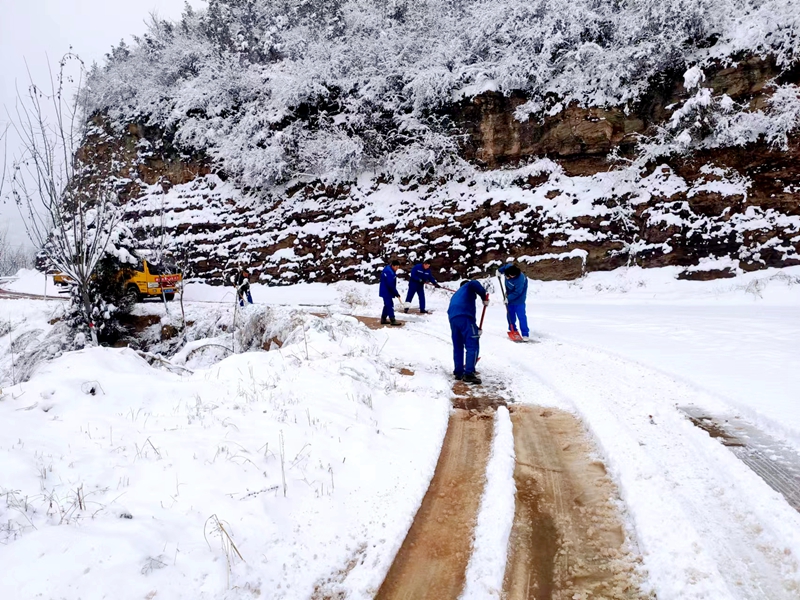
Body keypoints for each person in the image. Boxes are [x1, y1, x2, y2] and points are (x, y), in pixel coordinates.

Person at [447, 279, 489, 384]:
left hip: (453, 319)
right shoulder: (468, 287)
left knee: (458, 346)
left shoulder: (457, 295)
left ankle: (458, 372)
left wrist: (475, 328)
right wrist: (484, 296)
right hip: (465, 317)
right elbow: (473, 282)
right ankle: (469, 373)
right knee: (472, 344)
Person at [498, 263, 529, 339]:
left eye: (512, 276)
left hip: (519, 299)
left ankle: (525, 334)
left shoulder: (520, 279)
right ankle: (513, 329)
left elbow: (518, 292)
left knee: (521, 316)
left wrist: (508, 298)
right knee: (510, 315)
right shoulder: (508, 269)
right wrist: (499, 271)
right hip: (510, 295)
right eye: (509, 276)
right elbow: (506, 266)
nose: (510, 277)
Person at [379, 260, 403, 326]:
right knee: (389, 305)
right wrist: (396, 293)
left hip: (387, 290)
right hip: (386, 290)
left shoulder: (390, 270)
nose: (397, 268)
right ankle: (392, 320)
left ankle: (383, 319)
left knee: (387, 305)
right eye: (396, 267)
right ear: (392, 265)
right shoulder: (389, 272)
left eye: (398, 267)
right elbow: (390, 284)